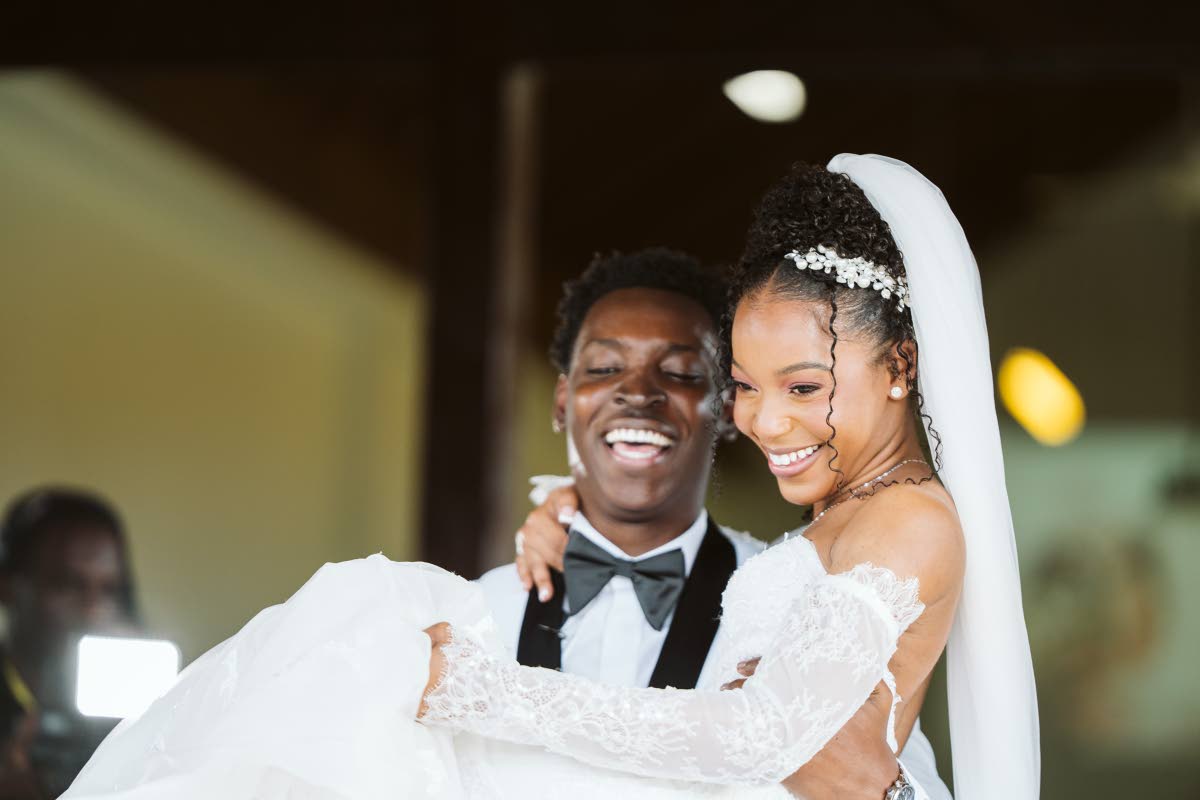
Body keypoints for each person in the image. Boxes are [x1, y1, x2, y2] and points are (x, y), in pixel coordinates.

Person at [62, 155, 1039, 800]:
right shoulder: (505, 591)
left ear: (901, 366)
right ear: (560, 398)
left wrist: (479, 692)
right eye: (750, 385)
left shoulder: (892, 524)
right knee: (360, 629)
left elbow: (820, 749)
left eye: (801, 385)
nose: (767, 417)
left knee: (368, 630)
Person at [477, 247, 946, 798]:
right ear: (564, 401)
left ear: (726, 408)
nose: (637, 392)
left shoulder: (794, 600)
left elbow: (881, 775)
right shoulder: (478, 612)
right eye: (604, 368)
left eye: (679, 372)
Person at [0, 487, 140, 799]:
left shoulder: (134, 703)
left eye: (109, 590)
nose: (93, 608)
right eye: (68, 586)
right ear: (8, 585)